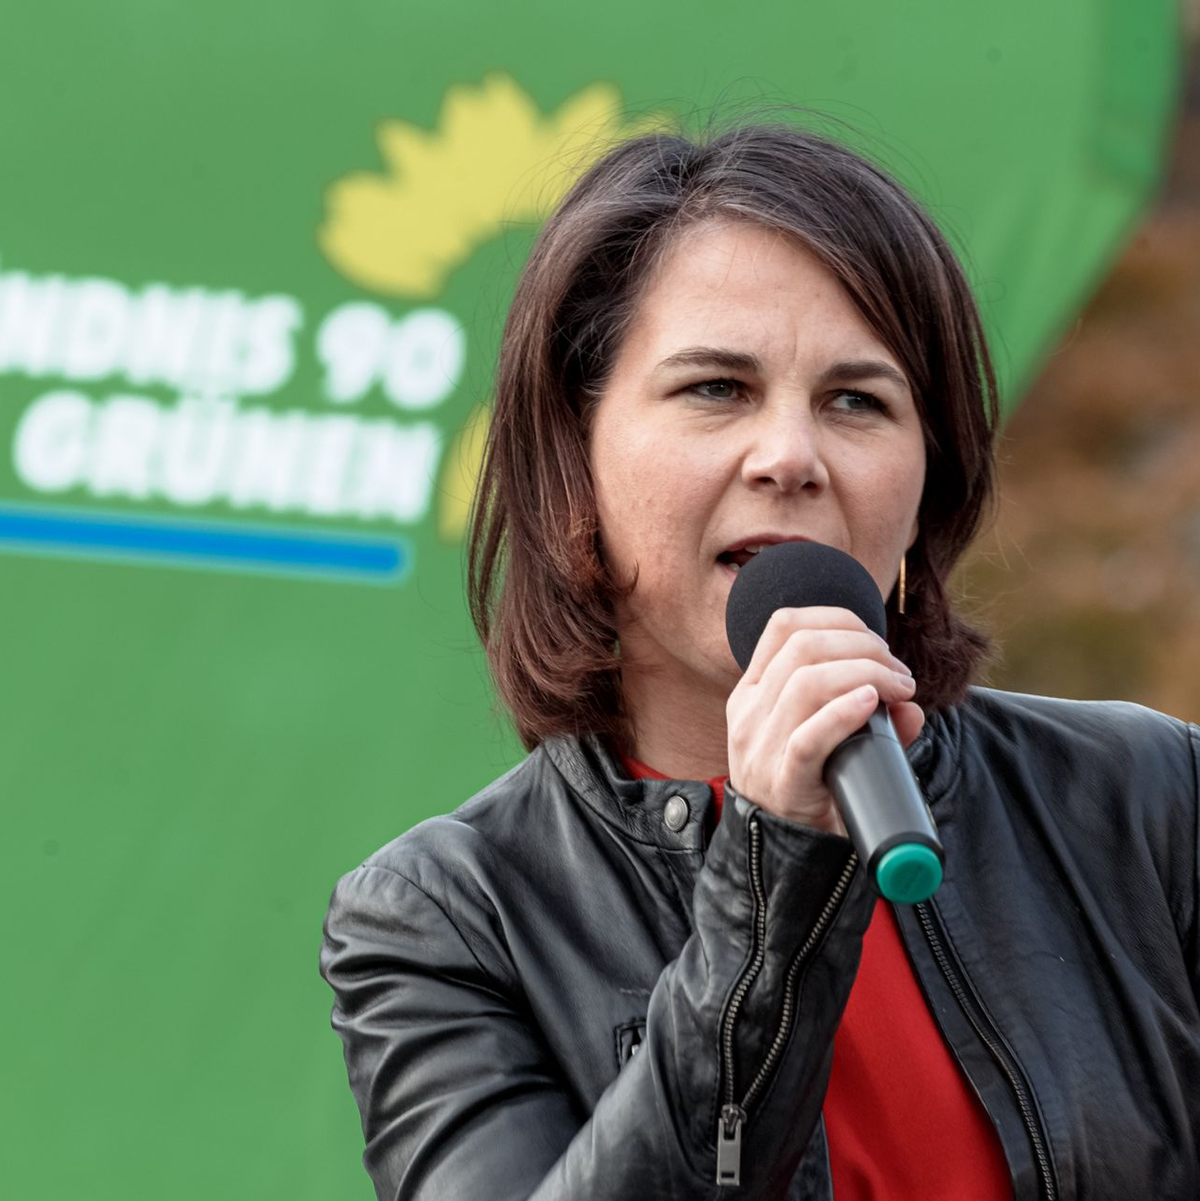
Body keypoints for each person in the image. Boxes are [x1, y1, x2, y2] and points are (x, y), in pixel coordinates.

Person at [320, 124, 1200, 1200]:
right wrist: (774, 870)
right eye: (716, 389)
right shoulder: (446, 919)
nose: (791, 456)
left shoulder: (1149, 801)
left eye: (857, 401)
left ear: (930, 480)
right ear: (575, 456)